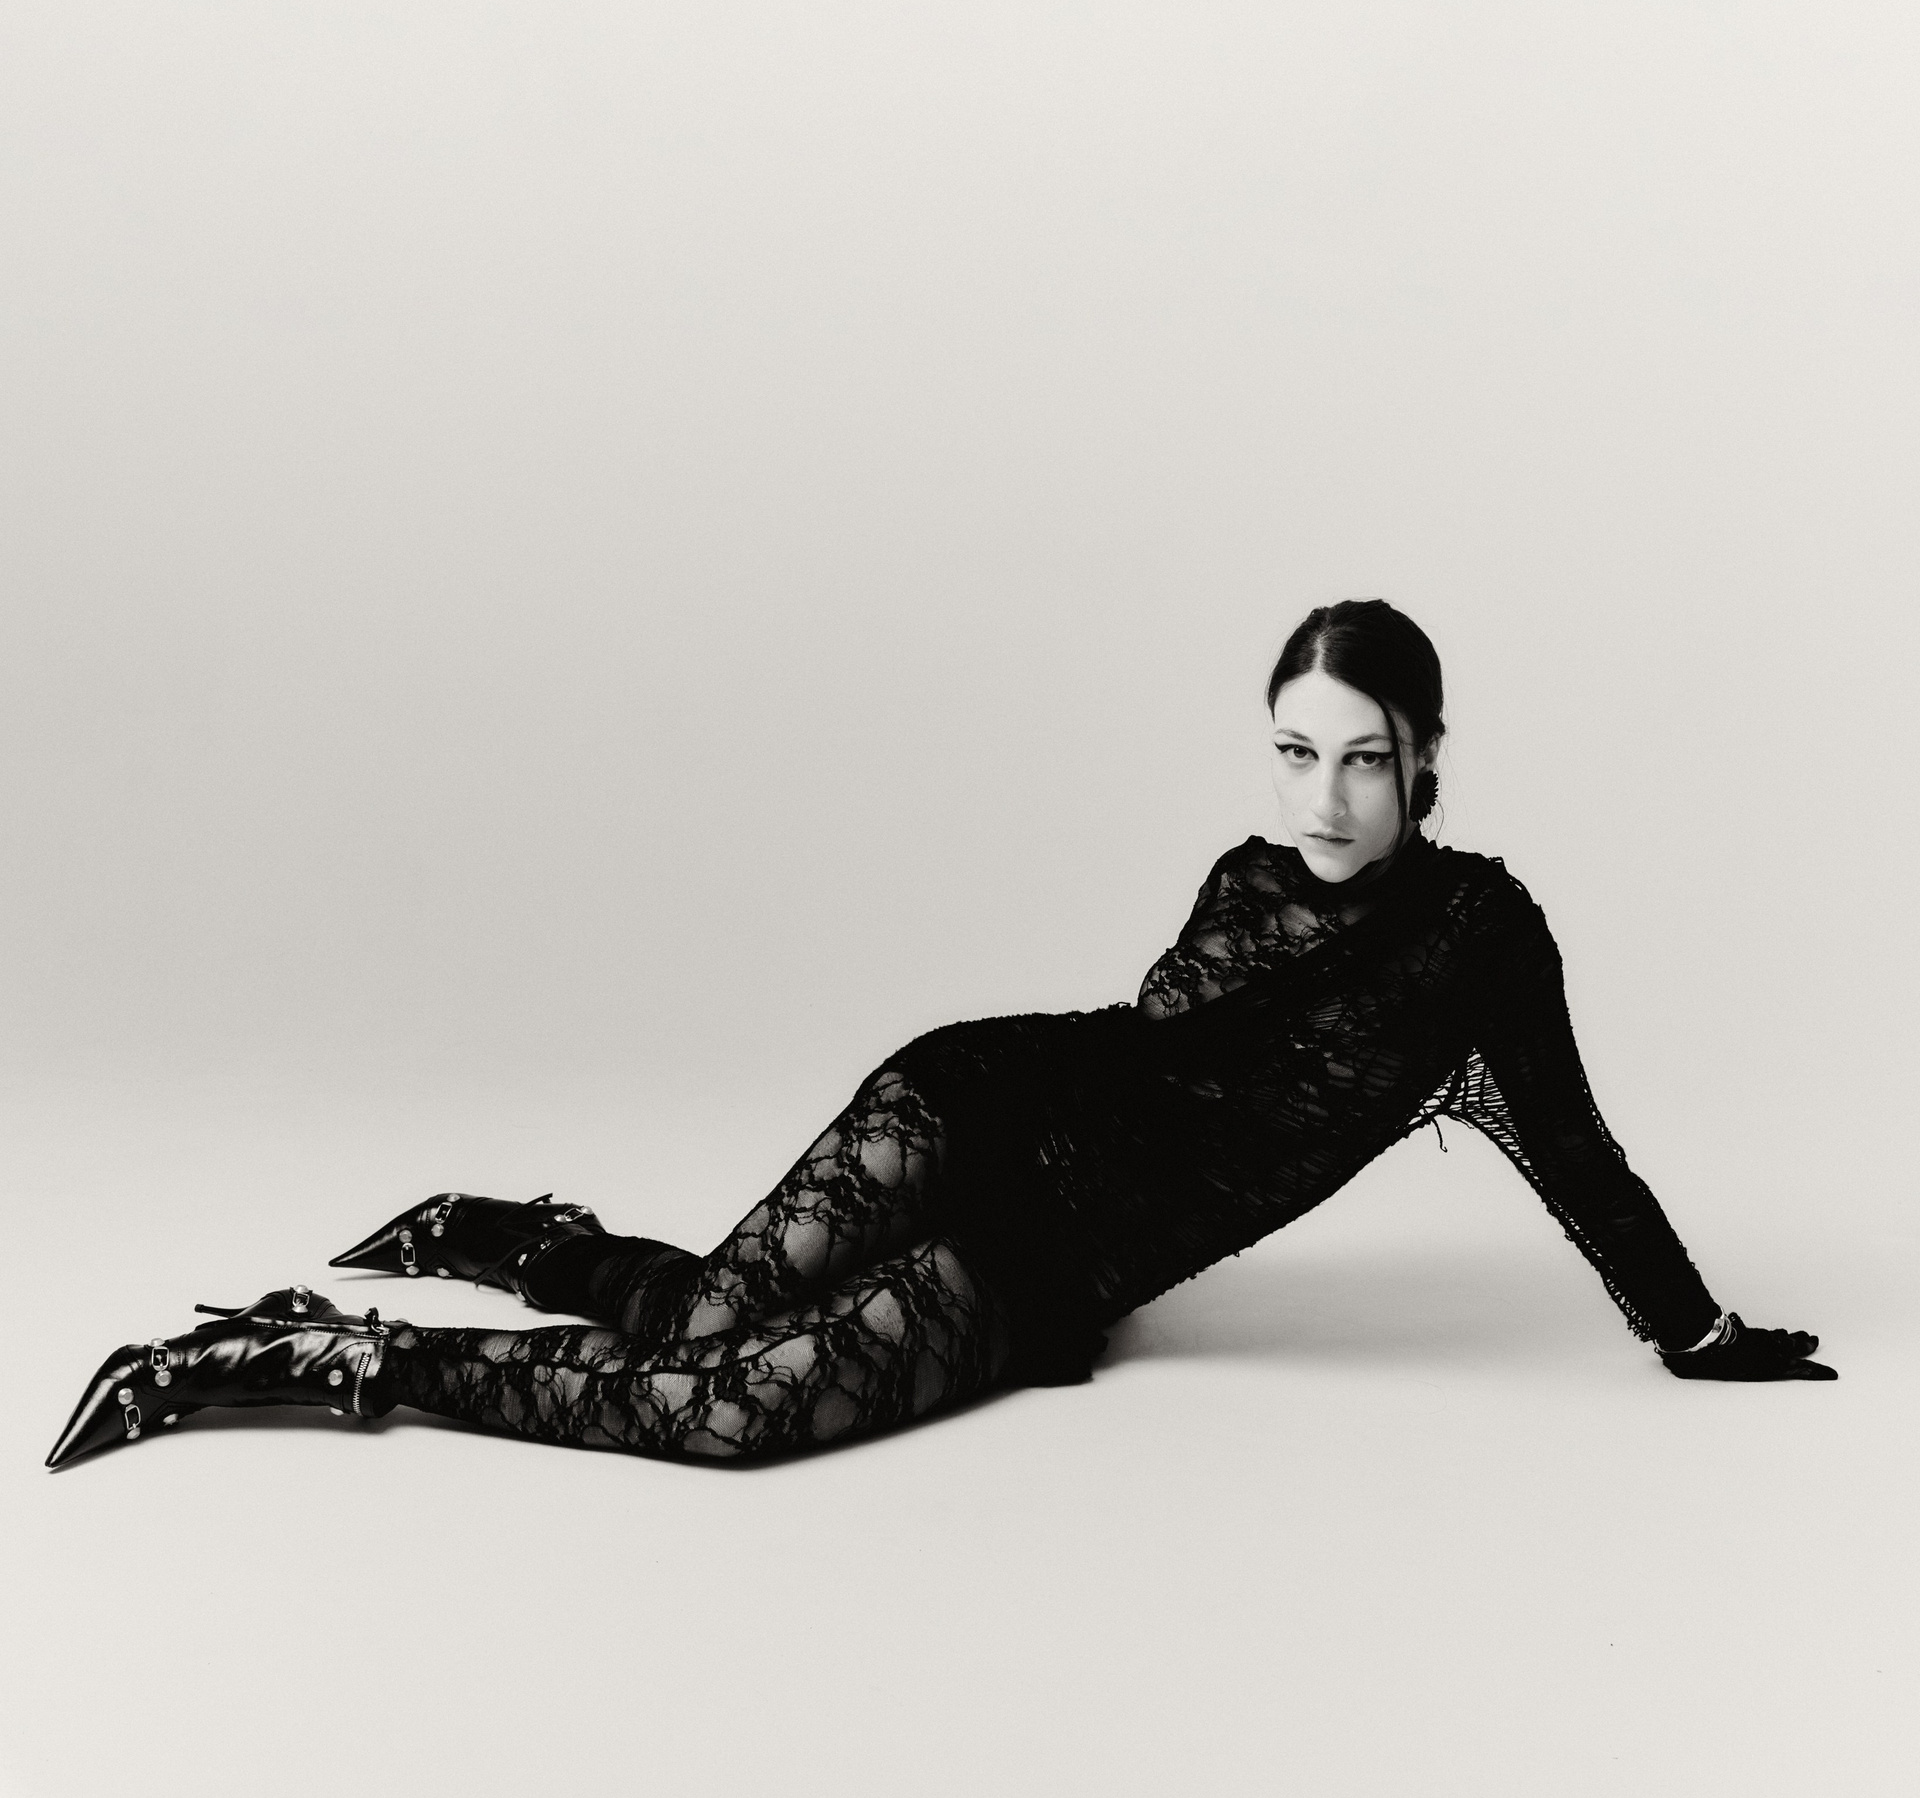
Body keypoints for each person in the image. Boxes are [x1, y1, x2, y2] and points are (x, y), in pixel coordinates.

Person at [46, 600, 1833, 1472]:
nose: (1326, 797)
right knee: (723, 1339)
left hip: (1053, 1245)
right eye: (1297, 752)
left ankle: (378, 1330)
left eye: (1365, 758)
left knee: (725, 1405)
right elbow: (1156, 1060)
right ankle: (479, 1269)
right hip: (972, 1096)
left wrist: (1692, 1331)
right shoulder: (1246, 878)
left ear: (1429, 756)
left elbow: (1574, 1148)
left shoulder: (1483, 939)